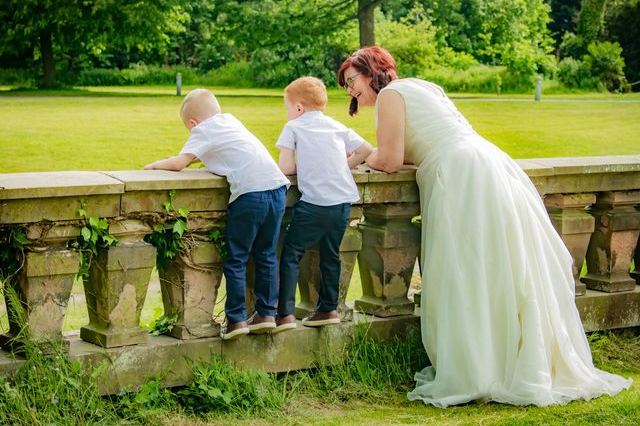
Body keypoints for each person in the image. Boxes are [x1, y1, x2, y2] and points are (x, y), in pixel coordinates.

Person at [338, 47, 632, 407]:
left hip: (459, 174)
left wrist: (364, 153)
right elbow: (421, 144)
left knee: (466, 267)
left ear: (371, 72)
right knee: (501, 262)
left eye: (351, 80)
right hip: (488, 161)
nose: (350, 90)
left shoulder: (389, 96)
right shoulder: (424, 86)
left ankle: (482, 365)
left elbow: (390, 158)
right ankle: (508, 358)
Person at [144, 88, 290, 340]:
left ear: (192, 123)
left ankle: (236, 320)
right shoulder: (230, 120)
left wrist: (153, 165)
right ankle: (266, 314)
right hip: (277, 189)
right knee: (266, 255)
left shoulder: (203, 130)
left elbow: (180, 163)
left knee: (237, 258)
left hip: (249, 196)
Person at [273, 76, 372, 333]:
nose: (287, 112)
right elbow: (366, 149)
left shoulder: (293, 127)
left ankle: (284, 314)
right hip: (341, 204)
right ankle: (329, 308)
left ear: (298, 108)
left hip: (314, 204)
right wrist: (342, 167)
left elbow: (285, 167)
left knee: (292, 253)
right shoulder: (336, 126)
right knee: (331, 255)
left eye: (287, 107)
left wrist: (304, 168)